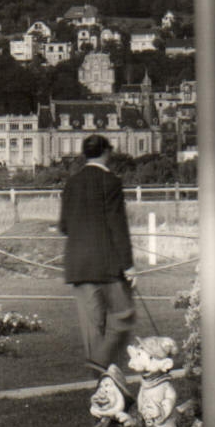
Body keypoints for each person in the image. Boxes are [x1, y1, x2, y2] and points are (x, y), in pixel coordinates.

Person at [59, 133, 136, 376]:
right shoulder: (111, 182)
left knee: (92, 328)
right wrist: (129, 265)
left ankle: (101, 382)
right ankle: (104, 367)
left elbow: (64, 226)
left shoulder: (72, 182)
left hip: (78, 265)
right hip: (107, 265)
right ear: (106, 152)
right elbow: (118, 225)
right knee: (124, 316)